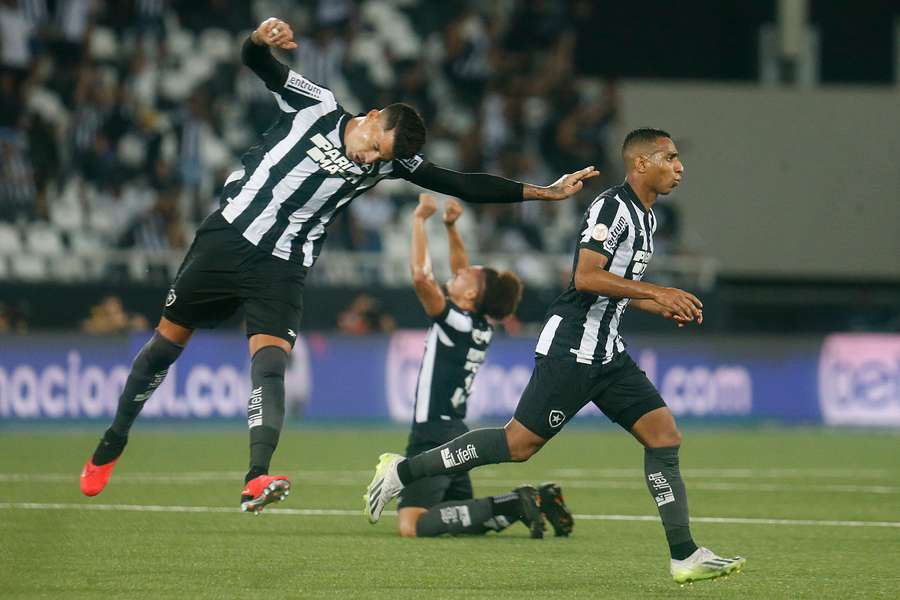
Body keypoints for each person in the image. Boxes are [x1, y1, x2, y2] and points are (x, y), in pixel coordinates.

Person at [79, 16, 598, 514]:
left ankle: (256, 476)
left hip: (282, 266)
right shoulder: (317, 105)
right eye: (374, 147)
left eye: (381, 158)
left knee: (271, 362)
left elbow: (461, 182)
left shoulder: (392, 160)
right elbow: (256, 62)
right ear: (371, 117)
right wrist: (259, 40)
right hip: (227, 239)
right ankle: (113, 438)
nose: (371, 160)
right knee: (164, 348)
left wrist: (543, 192)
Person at [365, 129, 745, 584]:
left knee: (664, 435)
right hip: (573, 347)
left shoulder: (648, 218)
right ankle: (403, 472)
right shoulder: (612, 208)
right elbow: (586, 278)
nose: (680, 167)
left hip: (608, 354)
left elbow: (617, 291)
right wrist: (657, 289)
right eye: (671, 158)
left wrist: (656, 303)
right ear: (641, 164)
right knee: (517, 446)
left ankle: (684, 555)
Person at [391, 193, 573, 539]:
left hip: (432, 434)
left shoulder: (457, 322)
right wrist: (451, 227)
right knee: (460, 519)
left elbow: (420, 278)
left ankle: (518, 502)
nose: (458, 272)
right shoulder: (481, 326)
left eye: (466, 277)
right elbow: (463, 270)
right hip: (457, 432)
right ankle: (524, 501)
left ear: (471, 296)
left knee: (412, 525)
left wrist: (419, 221)